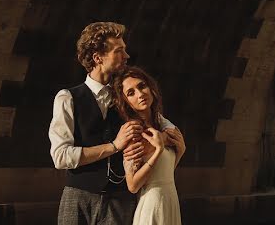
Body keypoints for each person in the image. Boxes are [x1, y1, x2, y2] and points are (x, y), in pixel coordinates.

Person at [49, 22, 146, 224]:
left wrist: (168, 137)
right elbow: (61, 156)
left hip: (120, 200)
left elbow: (159, 122)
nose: (127, 56)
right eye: (120, 51)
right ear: (97, 57)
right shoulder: (68, 98)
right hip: (78, 198)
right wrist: (114, 146)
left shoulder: (128, 97)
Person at [111, 66, 186, 225]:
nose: (140, 94)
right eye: (131, 93)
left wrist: (180, 151)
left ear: (150, 88)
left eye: (141, 86)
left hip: (170, 199)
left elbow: (164, 171)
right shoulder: (134, 133)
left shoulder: (161, 124)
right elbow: (132, 185)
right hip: (152, 204)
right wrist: (158, 150)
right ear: (126, 102)